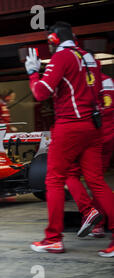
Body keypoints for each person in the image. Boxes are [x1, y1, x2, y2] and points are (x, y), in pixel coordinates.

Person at [25, 21, 113, 257]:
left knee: (53, 180)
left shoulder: (62, 57)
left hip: (69, 125)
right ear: (72, 36)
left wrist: (34, 73)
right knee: (96, 181)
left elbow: (41, 92)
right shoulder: (90, 58)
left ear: (53, 39)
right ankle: (94, 216)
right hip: (93, 127)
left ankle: (53, 238)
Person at [65, 73, 114, 238]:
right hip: (109, 138)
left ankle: (89, 213)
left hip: (90, 136)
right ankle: (98, 226)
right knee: (97, 182)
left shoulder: (83, 81)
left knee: (69, 174)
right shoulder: (109, 81)